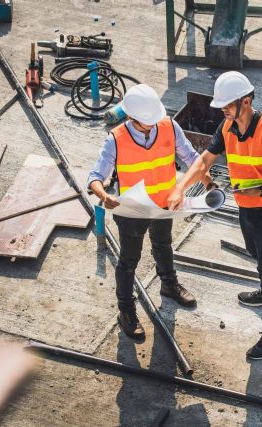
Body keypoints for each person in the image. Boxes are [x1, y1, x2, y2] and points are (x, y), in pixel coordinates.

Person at [168, 71, 262, 360]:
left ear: (246, 101)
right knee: (256, 254)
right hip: (246, 206)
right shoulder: (227, 127)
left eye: (228, 105)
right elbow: (204, 161)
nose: (223, 110)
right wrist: (180, 188)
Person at [88, 84, 216, 341]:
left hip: (163, 205)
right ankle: (126, 310)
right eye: (148, 122)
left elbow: (192, 159)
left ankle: (169, 284)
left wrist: (209, 183)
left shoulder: (168, 125)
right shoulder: (116, 138)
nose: (154, 124)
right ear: (132, 118)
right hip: (132, 211)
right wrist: (105, 196)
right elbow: (95, 177)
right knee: (129, 260)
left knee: (163, 244)